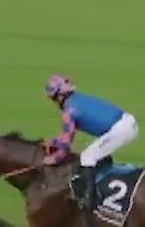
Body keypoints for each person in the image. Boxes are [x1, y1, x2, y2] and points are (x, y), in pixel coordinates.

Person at [43, 74, 138, 218]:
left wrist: (52, 159)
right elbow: (66, 138)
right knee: (96, 151)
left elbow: (66, 146)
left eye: (53, 98)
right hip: (127, 123)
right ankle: (105, 179)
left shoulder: (69, 112)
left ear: (60, 96)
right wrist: (54, 142)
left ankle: (89, 200)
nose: (54, 102)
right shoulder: (77, 100)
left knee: (87, 157)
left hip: (120, 130)